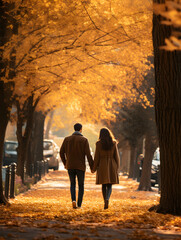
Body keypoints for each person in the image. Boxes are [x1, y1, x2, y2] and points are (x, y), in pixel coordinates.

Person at [60, 123, 93, 209]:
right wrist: (92, 166)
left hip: (70, 165)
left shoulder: (67, 139)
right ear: (81, 129)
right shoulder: (84, 140)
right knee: (81, 185)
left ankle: (73, 200)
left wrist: (65, 163)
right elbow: (88, 155)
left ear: (74, 129)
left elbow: (61, 152)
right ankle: (79, 204)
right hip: (80, 166)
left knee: (72, 184)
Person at [91, 127, 120, 209]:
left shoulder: (98, 144)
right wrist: (117, 167)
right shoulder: (113, 143)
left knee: (104, 185)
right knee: (110, 185)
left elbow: (96, 157)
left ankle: (105, 201)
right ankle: (107, 199)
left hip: (102, 165)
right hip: (112, 165)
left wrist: (94, 168)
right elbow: (116, 156)